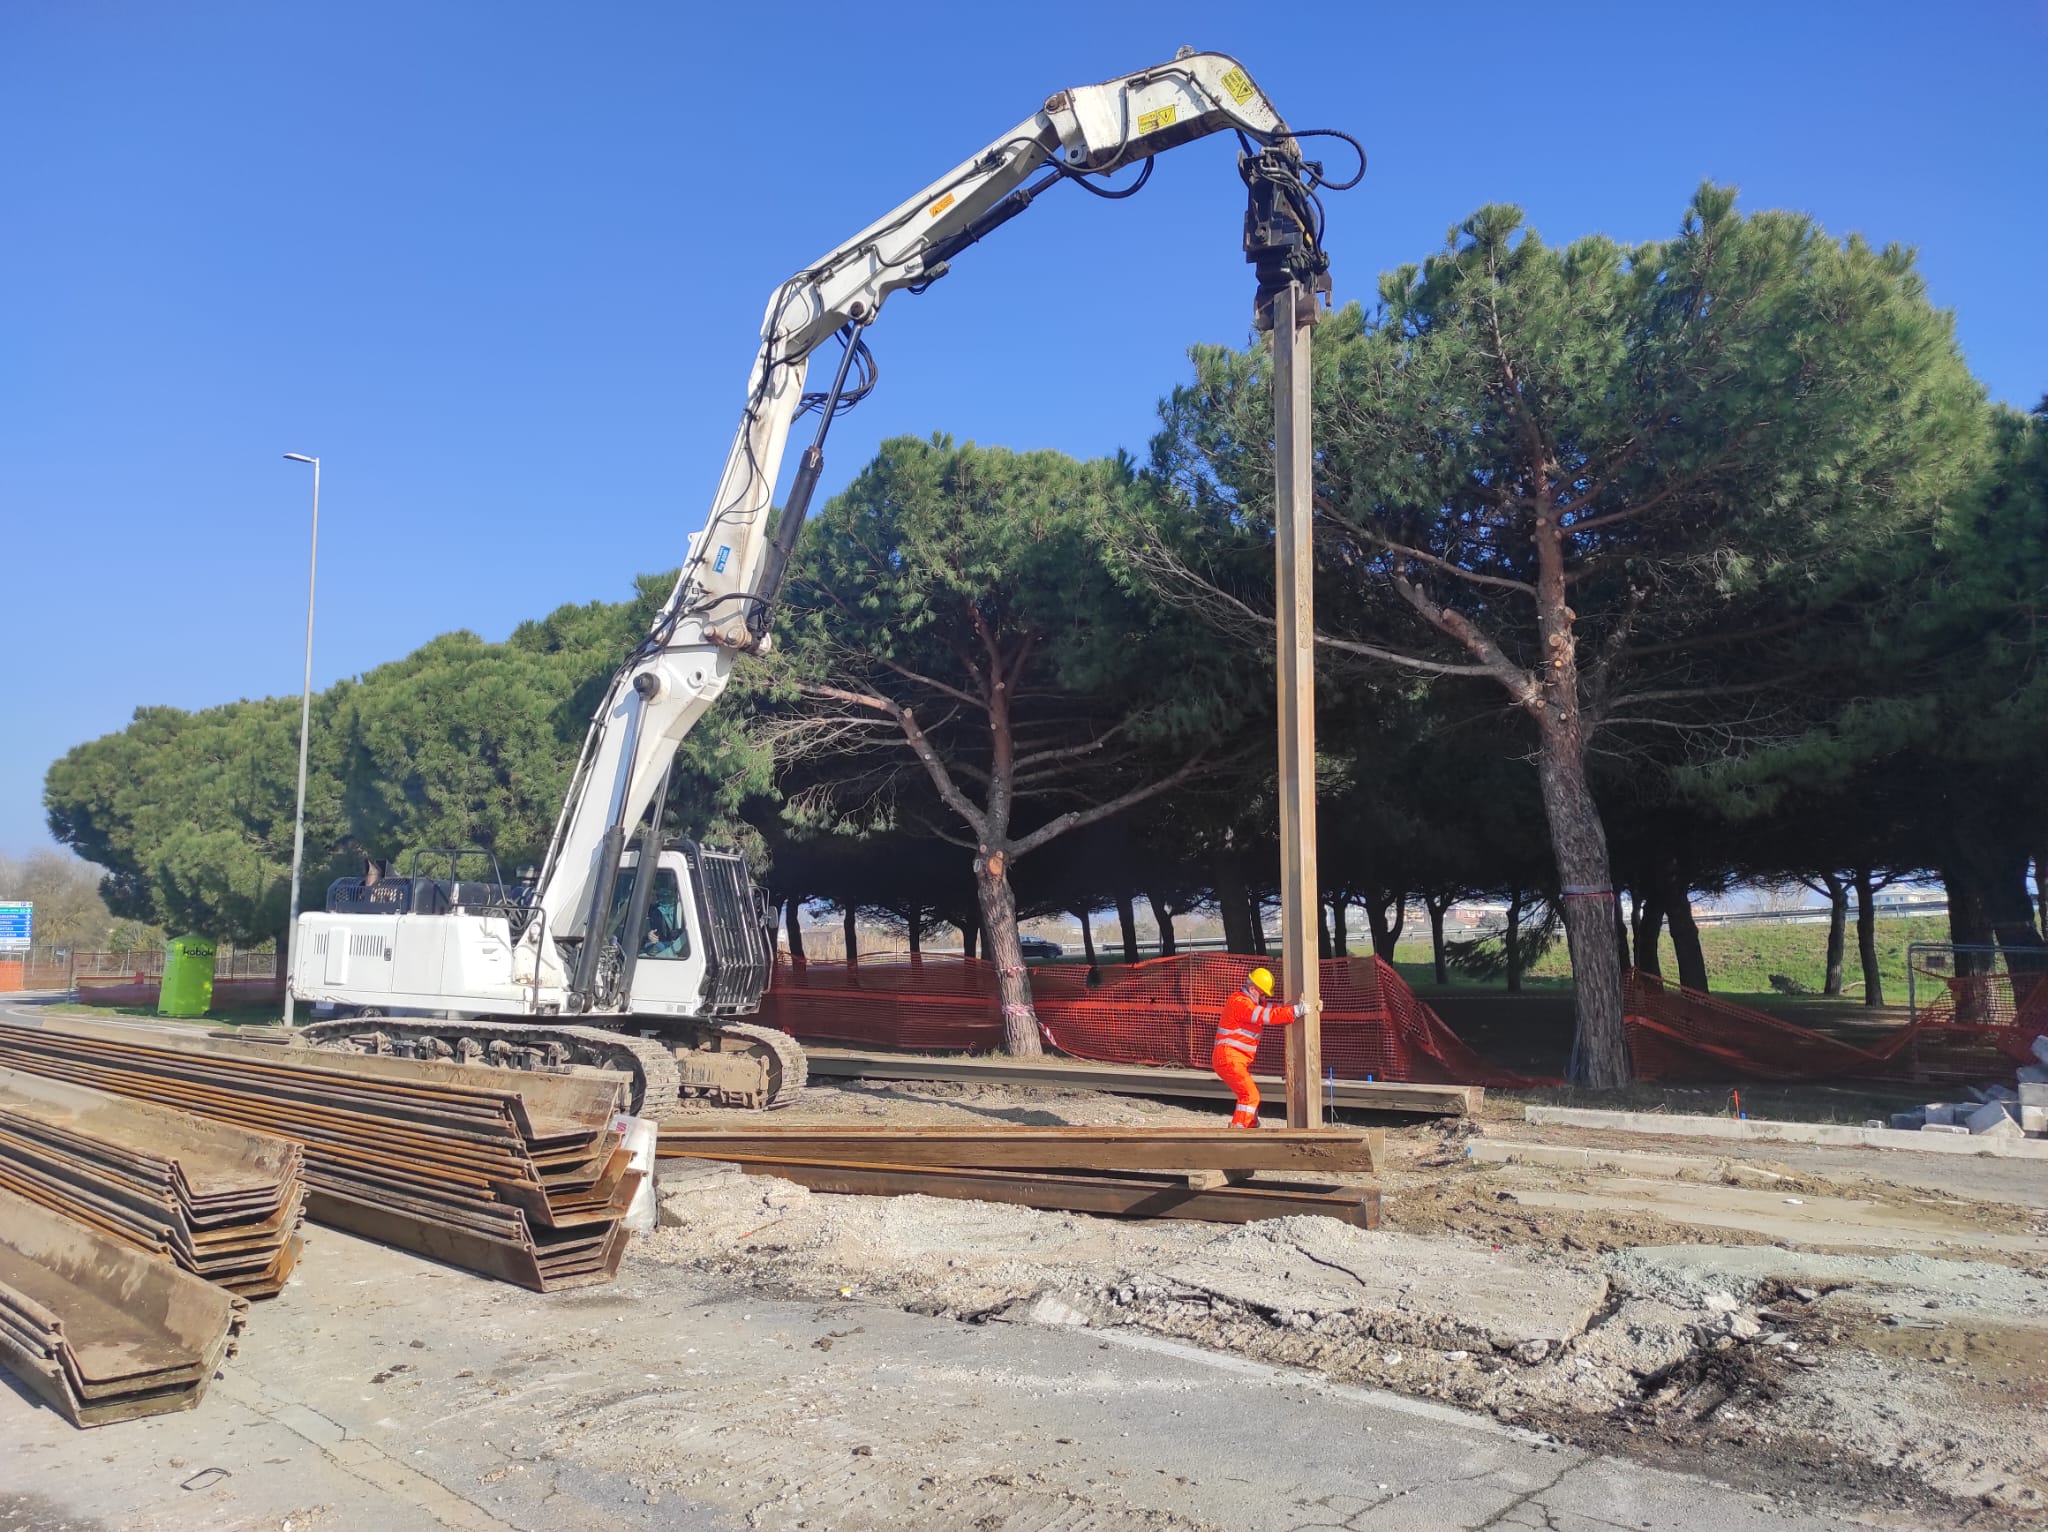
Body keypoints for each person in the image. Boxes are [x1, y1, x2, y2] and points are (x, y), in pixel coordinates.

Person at [1212, 966, 1301, 1129]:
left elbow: (1271, 1008)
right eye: (1262, 993)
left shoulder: (1248, 1002)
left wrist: (1291, 1008)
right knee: (1250, 1095)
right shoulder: (1241, 1003)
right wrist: (1295, 1011)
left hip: (1231, 1059)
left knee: (1248, 1094)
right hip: (1229, 1058)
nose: (1263, 998)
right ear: (1253, 989)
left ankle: (1250, 1125)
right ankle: (1238, 1129)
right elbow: (1266, 1015)